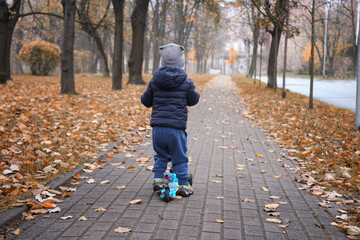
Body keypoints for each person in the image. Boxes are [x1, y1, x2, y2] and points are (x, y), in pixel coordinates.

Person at [141, 43, 200, 197]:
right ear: (181, 62)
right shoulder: (186, 82)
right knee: (179, 158)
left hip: (158, 129)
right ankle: (183, 185)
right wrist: (191, 90)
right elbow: (193, 100)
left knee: (160, 155)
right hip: (176, 129)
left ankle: (158, 180)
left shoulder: (154, 81)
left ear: (163, 61)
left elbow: (146, 101)